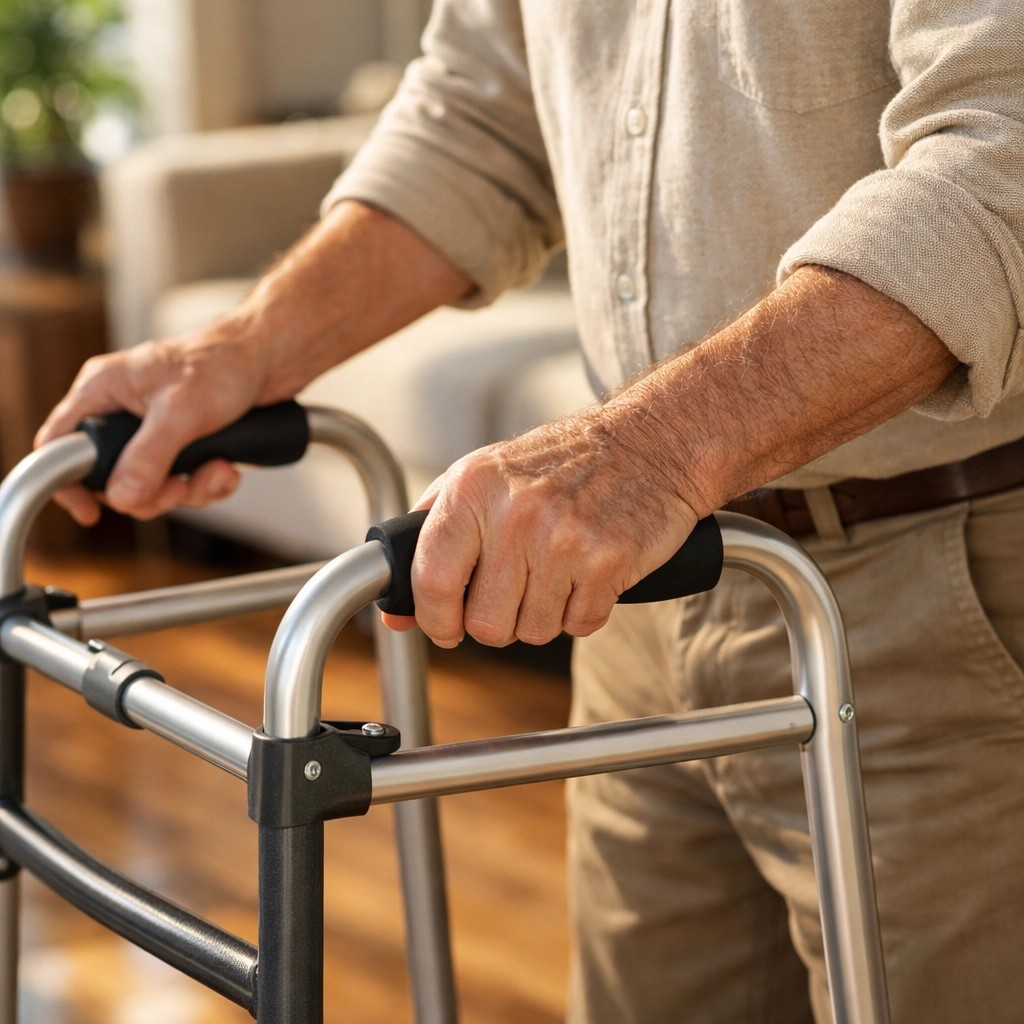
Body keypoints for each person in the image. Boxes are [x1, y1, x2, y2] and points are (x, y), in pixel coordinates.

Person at [38, 1, 1024, 1020]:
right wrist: (242, 349)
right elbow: (482, 122)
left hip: (936, 598)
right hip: (641, 604)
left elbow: (1003, 156)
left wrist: (648, 453)